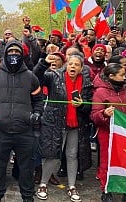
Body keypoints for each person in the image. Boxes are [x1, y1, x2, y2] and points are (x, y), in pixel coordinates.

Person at [0, 41, 44, 202]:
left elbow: (38, 100)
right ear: (5, 54)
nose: (13, 54)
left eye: (17, 51)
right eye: (11, 51)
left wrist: (36, 113)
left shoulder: (30, 77)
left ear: (22, 55)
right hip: (1, 130)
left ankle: (28, 196)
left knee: (26, 167)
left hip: (25, 131)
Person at [33, 53, 93, 202]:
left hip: (75, 124)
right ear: (66, 65)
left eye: (77, 65)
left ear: (81, 68)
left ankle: (72, 186)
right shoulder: (54, 76)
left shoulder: (86, 82)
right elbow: (36, 77)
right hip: (56, 122)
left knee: (72, 155)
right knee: (53, 154)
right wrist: (44, 63)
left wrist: (83, 105)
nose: (73, 66)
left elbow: (90, 103)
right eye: (71, 64)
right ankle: (43, 184)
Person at [91, 63, 126, 202]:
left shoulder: (123, 90)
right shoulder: (100, 92)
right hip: (107, 133)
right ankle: (106, 190)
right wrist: (104, 113)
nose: (125, 77)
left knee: (125, 161)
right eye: (122, 75)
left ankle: (125, 188)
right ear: (111, 76)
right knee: (106, 162)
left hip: (122, 133)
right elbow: (94, 115)